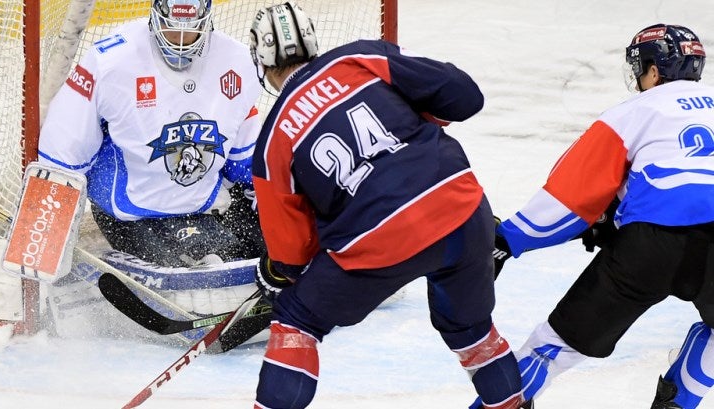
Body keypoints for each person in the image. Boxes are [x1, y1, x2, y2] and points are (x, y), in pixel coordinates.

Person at [247, 3, 528, 408]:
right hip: (462, 211)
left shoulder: (273, 140)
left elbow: (292, 258)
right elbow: (466, 97)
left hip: (377, 243)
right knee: (471, 330)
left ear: (261, 61)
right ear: (312, 42)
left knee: (297, 317)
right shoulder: (359, 58)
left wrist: (286, 271)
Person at [491, 24, 712, 408]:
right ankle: (677, 404)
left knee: (555, 347)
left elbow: (571, 198)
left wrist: (508, 240)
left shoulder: (633, 111)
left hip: (650, 248)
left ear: (655, 71)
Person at [38, 0, 265, 270]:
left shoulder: (238, 62)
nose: (180, 41)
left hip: (199, 209)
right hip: (128, 215)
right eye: (171, 26)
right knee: (186, 276)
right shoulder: (110, 60)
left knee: (246, 260)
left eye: (189, 29)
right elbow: (63, 152)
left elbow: (246, 161)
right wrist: (43, 236)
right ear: (156, 14)